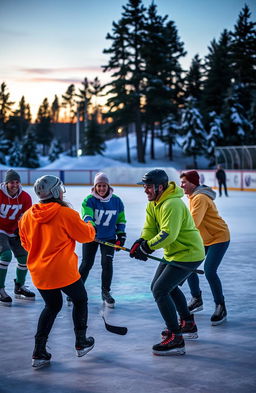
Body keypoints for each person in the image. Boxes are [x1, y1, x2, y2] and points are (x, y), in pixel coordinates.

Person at [18, 175, 96, 368]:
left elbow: (26, 244)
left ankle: (39, 352)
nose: (62, 191)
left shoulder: (27, 216)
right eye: (60, 188)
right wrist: (90, 225)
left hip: (40, 272)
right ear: (54, 192)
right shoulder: (65, 213)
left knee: (52, 307)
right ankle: (81, 342)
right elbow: (86, 236)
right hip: (63, 272)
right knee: (80, 300)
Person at [130, 169, 205, 356]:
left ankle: (176, 337)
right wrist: (141, 242)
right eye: (144, 187)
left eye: (148, 187)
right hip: (175, 253)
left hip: (189, 253)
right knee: (162, 287)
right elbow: (150, 228)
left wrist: (147, 247)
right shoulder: (154, 203)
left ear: (159, 187)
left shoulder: (172, 204)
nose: (145, 190)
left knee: (160, 290)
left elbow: (167, 234)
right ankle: (188, 323)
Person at [180, 170, 230, 325]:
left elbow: (193, 223)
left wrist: (176, 236)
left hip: (219, 237)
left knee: (209, 271)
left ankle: (220, 306)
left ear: (193, 183)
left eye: (184, 182)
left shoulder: (200, 198)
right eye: (181, 182)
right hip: (204, 239)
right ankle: (196, 299)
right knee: (189, 266)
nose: (181, 185)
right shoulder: (192, 197)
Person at [78, 172, 126, 308]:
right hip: (91, 236)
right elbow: (87, 216)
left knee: (107, 263)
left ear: (108, 186)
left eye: (104, 185)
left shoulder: (116, 201)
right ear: (95, 186)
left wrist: (121, 235)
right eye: (99, 185)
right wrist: (92, 229)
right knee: (87, 263)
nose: (101, 188)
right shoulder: (89, 200)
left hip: (109, 237)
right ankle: (77, 291)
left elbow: (121, 219)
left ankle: (105, 292)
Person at [0, 169, 35, 305]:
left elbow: (26, 217)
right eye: (11, 182)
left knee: (24, 258)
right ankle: (0, 288)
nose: (14, 185)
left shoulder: (25, 197)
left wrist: (22, 229)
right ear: (6, 183)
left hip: (15, 231)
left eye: (17, 182)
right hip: (0, 230)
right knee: (6, 255)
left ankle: (19, 286)